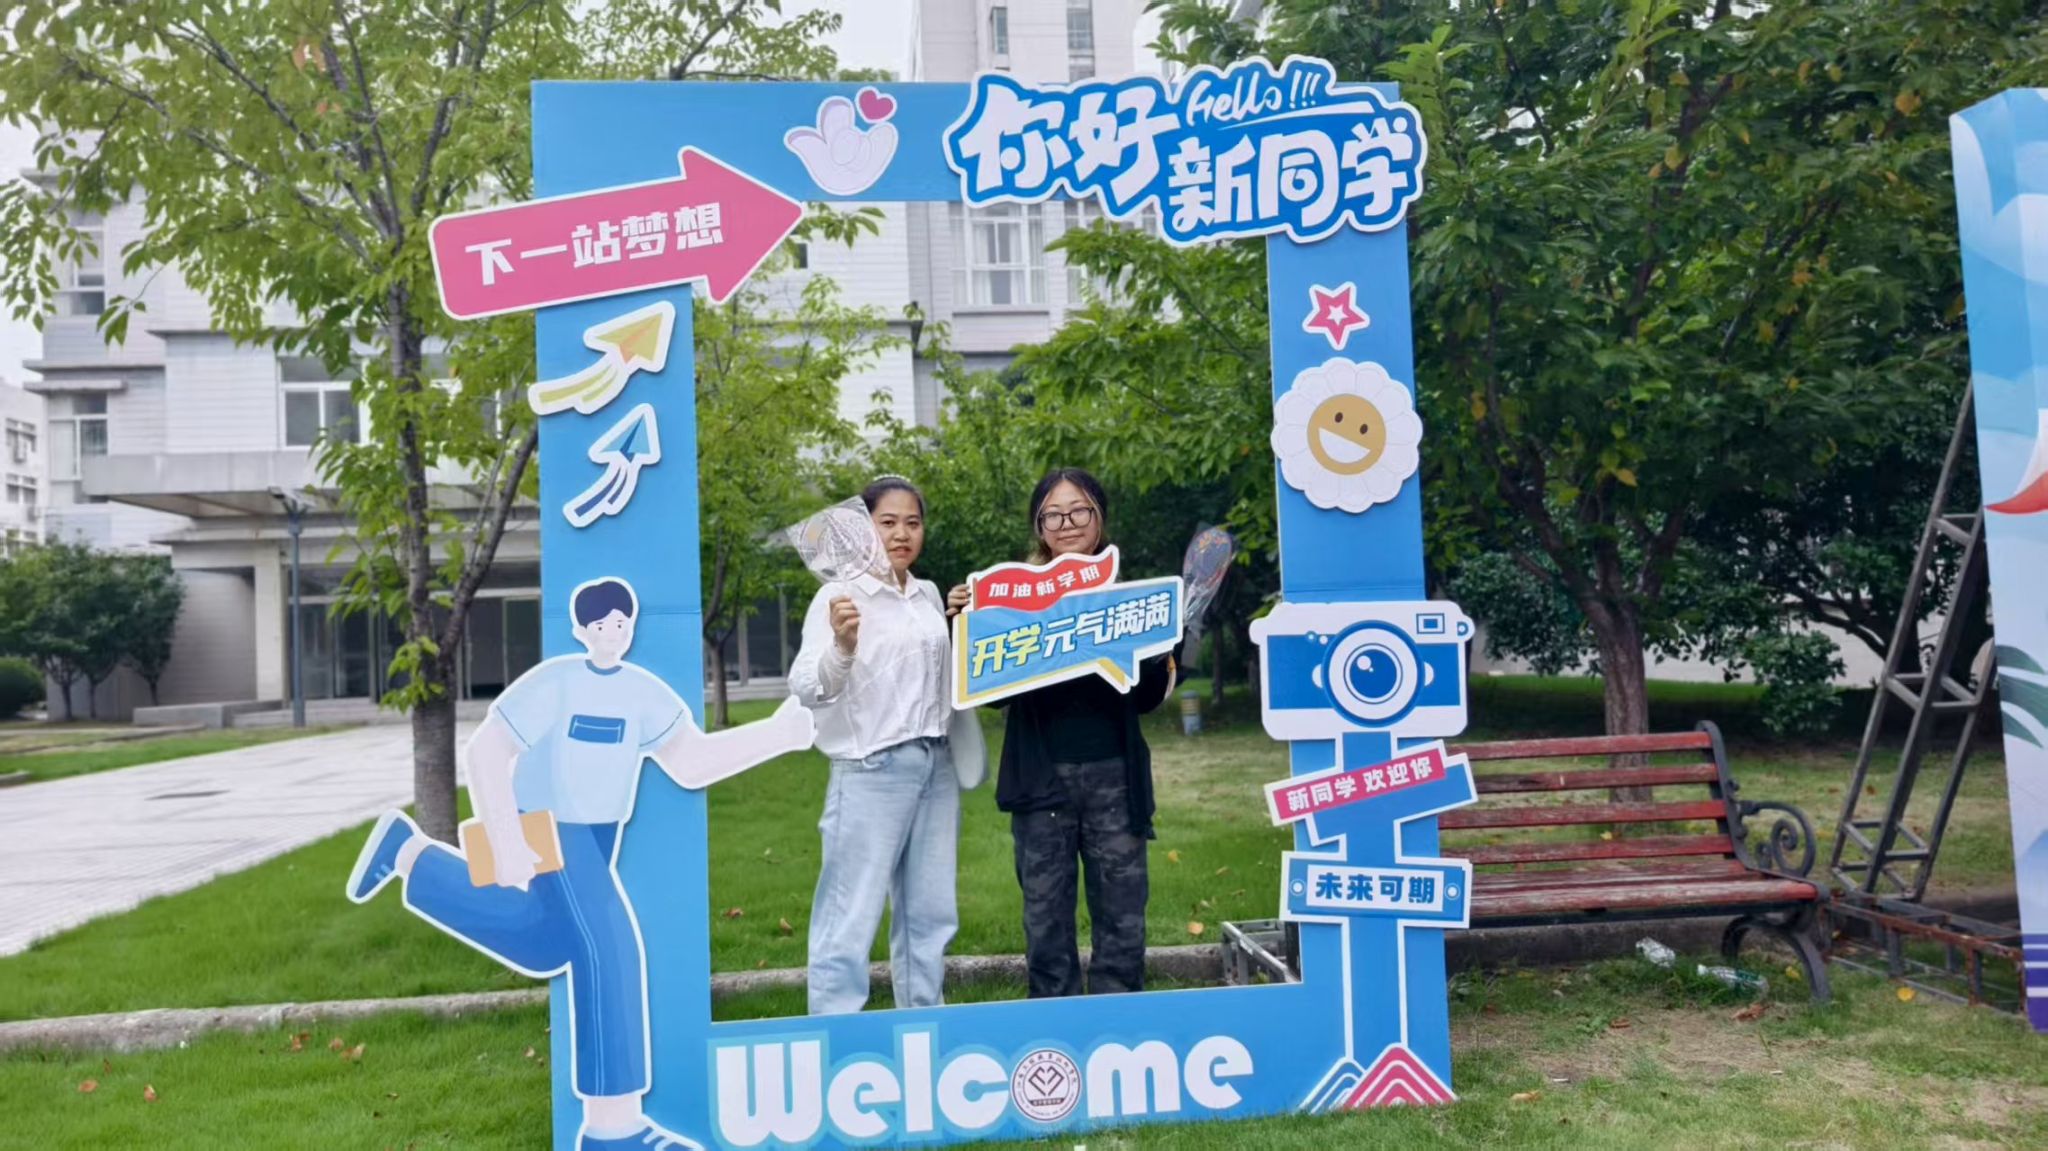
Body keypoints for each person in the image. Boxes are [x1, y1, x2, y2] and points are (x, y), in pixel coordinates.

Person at [345, 577, 814, 1151]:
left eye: (621, 624)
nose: (612, 633)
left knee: (541, 941)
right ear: (580, 630)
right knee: (609, 949)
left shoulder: (643, 693)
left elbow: (691, 762)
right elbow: (487, 750)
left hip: (599, 836)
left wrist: (777, 735)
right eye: (601, 625)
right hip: (550, 826)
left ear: (631, 627)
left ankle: (410, 855)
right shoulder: (557, 682)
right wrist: (506, 838)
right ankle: (614, 1129)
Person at [947, 467, 1175, 998]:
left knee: (1123, 911)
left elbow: (1145, 699)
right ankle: (1053, 1021)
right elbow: (993, 694)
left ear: (1099, 518)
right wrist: (964, 625)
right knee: (1045, 916)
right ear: (1039, 526)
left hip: (1116, 778)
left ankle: (1120, 1018)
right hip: (1040, 783)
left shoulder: (1132, 598)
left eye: (1079, 511)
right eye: (1053, 514)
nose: (1067, 523)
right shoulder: (1008, 599)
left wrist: (1165, 647)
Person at [789, 476, 962, 1015]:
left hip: (935, 766)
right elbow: (805, 687)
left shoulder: (926, 593)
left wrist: (961, 619)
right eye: (888, 522)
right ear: (863, 529)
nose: (901, 534)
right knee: (850, 914)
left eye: (913, 522)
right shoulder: (838, 596)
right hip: (870, 769)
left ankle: (925, 1023)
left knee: (930, 914)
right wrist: (842, 647)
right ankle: (835, 1034)